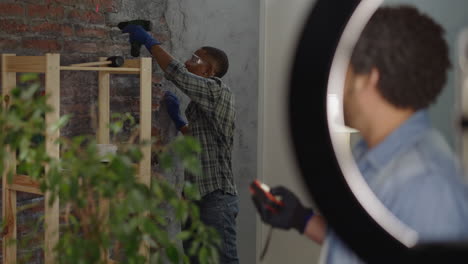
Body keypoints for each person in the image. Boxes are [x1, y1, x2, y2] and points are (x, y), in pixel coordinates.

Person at [253, 5, 468, 263]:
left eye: (344, 70)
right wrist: (301, 219)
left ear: (368, 78)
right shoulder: (373, 155)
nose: (334, 86)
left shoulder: (428, 189)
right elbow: (373, 247)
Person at [122, 25, 239, 263]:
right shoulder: (202, 104)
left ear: (208, 70)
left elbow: (178, 73)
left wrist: (149, 41)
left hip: (216, 199)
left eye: (195, 59)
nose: (188, 61)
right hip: (196, 198)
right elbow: (200, 142)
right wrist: (179, 121)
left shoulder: (218, 92)